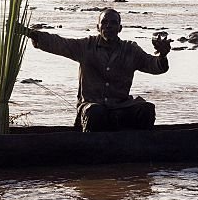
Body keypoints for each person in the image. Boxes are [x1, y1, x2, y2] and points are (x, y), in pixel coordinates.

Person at [18, 8, 171, 132]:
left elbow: (154, 66)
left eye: (113, 23)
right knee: (95, 113)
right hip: (92, 107)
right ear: (98, 27)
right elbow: (59, 43)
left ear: (120, 28)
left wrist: (162, 55)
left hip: (121, 107)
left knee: (146, 110)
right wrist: (30, 33)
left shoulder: (130, 50)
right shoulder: (86, 47)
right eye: (104, 22)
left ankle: (139, 150)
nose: (108, 26)